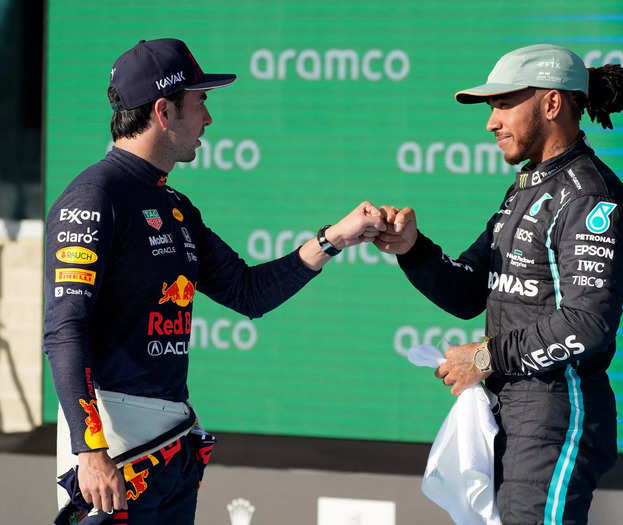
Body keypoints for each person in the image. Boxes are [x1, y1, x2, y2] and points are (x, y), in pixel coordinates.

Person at [43, 38, 386, 524]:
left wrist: (334, 238)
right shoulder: (94, 197)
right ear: (164, 111)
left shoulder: (176, 206)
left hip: (171, 440)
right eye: (200, 102)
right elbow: (64, 332)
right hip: (114, 452)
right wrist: (90, 451)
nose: (209, 120)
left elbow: (248, 292)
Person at [374, 43, 623, 524]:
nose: (491, 122)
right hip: (509, 411)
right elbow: (469, 292)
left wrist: (485, 356)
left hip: (557, 413)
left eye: (502, 103)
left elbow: (588, 323)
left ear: (552, 103)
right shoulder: (528, 187)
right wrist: (412, 249)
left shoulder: (590, 198)